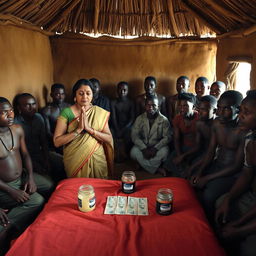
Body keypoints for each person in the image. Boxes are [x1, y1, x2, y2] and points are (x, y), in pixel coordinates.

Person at [0, 97, 53, 252]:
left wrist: (30, 177)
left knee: (49, 185)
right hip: (5, 186)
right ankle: (6, 225)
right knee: (36, 200)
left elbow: (26, 155)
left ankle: (28, 220)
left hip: (22, 176)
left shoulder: (17, 129)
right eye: (3, 112)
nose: (10, 115)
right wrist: (12, 191)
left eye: (10, 110)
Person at [191, 90, 245, 221]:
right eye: (219, 108)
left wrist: (208, 177)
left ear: (238, 110)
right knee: (192, 180)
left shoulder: (243, 131)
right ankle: (196, 220)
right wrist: (200, 171)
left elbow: (237, 166)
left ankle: (211, 226)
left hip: (232, 173)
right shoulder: (217, 124)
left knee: (209, 195)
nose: (220, 113)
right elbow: (210, 152)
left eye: (226, 108)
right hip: (217, 165)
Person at [215, 90, 256, 256]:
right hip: (252, 196)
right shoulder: (250, 139)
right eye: (241, 111)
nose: (240, 116)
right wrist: (229, 199)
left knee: (249, 248)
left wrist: (240, 227)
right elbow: (246, 174)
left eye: (247, 113)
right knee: (221, 203)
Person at [53, 79, 113, 178]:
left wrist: (89, 129)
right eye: (81, 93)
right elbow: (57, 142)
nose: (85, 97)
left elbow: (109, 138)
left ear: (92, 95)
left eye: (88, 93)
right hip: (75, 159)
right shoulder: (67, 112)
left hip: (97, 157)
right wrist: (78, 130)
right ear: (75, 96)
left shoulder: (99, 112)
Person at [174, 95, 217, 178]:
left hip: (213, 156)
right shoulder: (199, 123)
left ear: (214, 111)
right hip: (202, 152)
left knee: (194, 169)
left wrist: (191, 167)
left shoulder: (217, 126)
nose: (200, 112)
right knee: (178, 162)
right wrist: (183, 156)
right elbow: (198, 146)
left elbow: (212, 153)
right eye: (199, 109)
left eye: (203, 110)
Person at [130, 95, 172, 176]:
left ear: (158, 107)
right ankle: (157, 169)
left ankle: (144, 165)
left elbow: (167, 137)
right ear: (145, 106)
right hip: (144, 147)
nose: (151, 108)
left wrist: (155, 149)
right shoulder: (139, 118)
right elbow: (134, 135)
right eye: (148, 105)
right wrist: (143, 148)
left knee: (165, 151)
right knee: (133, 152)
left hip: (156, 148)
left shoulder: (164, 120)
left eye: (154, 105)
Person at [13, 93, 52, 177]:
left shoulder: (39, 117)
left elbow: (44, 141)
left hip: (40, 153)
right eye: (27, 105)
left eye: (34, 104)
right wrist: (35, 165)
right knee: (46, 178)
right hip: (26, 159)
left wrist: (46, 159)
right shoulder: (15, 124)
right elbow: (20, 153)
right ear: (19, 108)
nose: (32, 108)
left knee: (62, 163)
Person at [163, 92, 198, 177]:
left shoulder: (199, 119)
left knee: (195, 166)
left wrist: (182, 157)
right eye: (180, 106)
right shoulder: (177, 119)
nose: (181, 109)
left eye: (185, 106)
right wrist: (179, 155)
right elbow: (177, 139)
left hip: (197, 149)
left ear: (193, 107)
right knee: (170, 163)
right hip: (184, 147)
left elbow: (199, 145)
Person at [40, 83, 70, 153]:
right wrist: (60, 141)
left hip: (70, 139)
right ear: (51, 95)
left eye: (62, 94)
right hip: (55, 142)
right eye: (57, 94)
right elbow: (48, 132)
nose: (61, 97)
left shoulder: (70, 107)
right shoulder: (47, 111)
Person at [110, 81, 135, 162]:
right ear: (117, 91)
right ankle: (115, 155)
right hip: (116, 125)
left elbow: (131, 119)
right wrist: (117, 129)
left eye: (125, 90)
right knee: (111, 132)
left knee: (130, 132)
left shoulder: (131, 103)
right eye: (120, 90)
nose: (122, 92)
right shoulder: (113, 102)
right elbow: (113, 117)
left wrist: (123, 129)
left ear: (128, 91)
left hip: (127, 126)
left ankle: (125, 154)